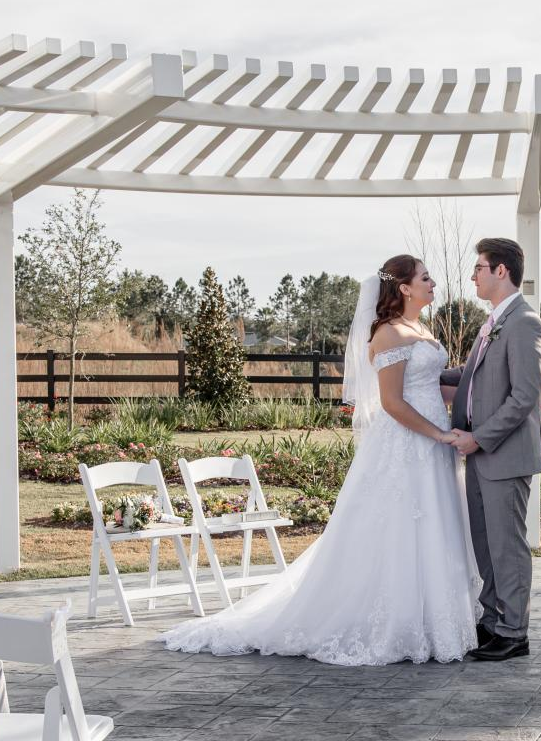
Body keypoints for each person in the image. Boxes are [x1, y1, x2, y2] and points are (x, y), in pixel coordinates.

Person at [160, 255, 482, 665]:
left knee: (433, 527)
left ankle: (429, 620)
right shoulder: (388, 334)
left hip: (435, 446)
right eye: (425, 277)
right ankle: (392, 625)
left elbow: (430, 389)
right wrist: (438, 433)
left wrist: (476, 400)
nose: (433, 283)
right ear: (403, 287)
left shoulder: (421, 329)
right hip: (407, 444)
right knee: (399, 528)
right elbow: (392, 402)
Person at [442, 238, 541, 661]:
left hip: (502, 454)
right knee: (483, 544)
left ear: (500, 270)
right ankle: (490, 621)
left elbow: (524, 397)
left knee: (508, 545)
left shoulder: (524, 322)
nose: (473, 275)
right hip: (480, 454)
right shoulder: (492, 323)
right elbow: (470, 376)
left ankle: (514, 632)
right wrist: (418, 370)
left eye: (479, 268)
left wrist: (479, 437)